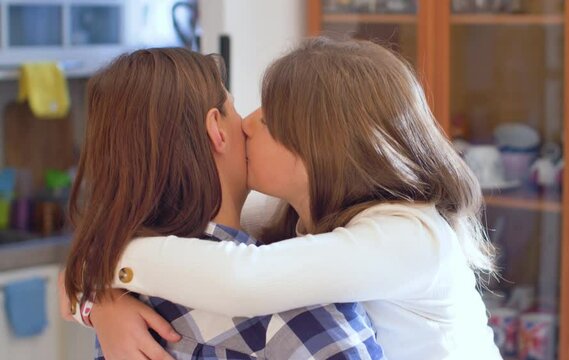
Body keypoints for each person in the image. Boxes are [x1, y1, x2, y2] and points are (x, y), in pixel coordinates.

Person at [66, 38, 501, 359]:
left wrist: (106, 263)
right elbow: (216, 253)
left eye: (269, 118)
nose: (249, 124)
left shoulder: (409, 236)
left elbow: (243, 278)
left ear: (320, 148)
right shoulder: (298, 225)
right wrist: (101, 301)